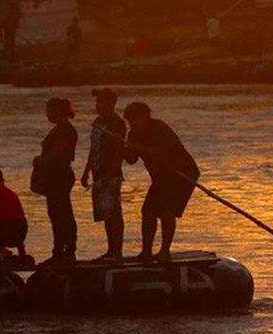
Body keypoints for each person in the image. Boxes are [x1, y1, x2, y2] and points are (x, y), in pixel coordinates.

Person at [123, 101, 200, 262]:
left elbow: (165, 152)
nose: (133, 124)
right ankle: (146, 252)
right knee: (148, 211)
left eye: (135, 120)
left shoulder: (159, 128)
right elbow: (131, 159)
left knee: (167, 211)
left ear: (145, 116)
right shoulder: (133, 133)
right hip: (161, 177)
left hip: (181, 173)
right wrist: (123, 147)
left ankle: (165, 251)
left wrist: (141, 149)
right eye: (130, 121)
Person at [80, 88, 126, 262]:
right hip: (97, 174)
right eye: (97, 102)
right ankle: (110, 250)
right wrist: (86, 171)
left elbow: (119, 151)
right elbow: (94, 148)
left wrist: (109, 173)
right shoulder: (98, 121)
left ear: (110, 103)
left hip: (111, 175)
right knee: (106, 214)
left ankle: (116, 252)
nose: (97, 105)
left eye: (100, 102)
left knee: (114, 213)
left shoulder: (116, 123)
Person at [32, 97, 78, 266]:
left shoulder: (65, 130)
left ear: (58, 111)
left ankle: (67, 252)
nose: (47, 114)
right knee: (55, 214)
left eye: (50, 110)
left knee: (62, 214)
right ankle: (59, 251)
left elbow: (57, 154)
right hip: (55, 176)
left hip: (61, 176)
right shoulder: (58, 129)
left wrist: (39, 161)